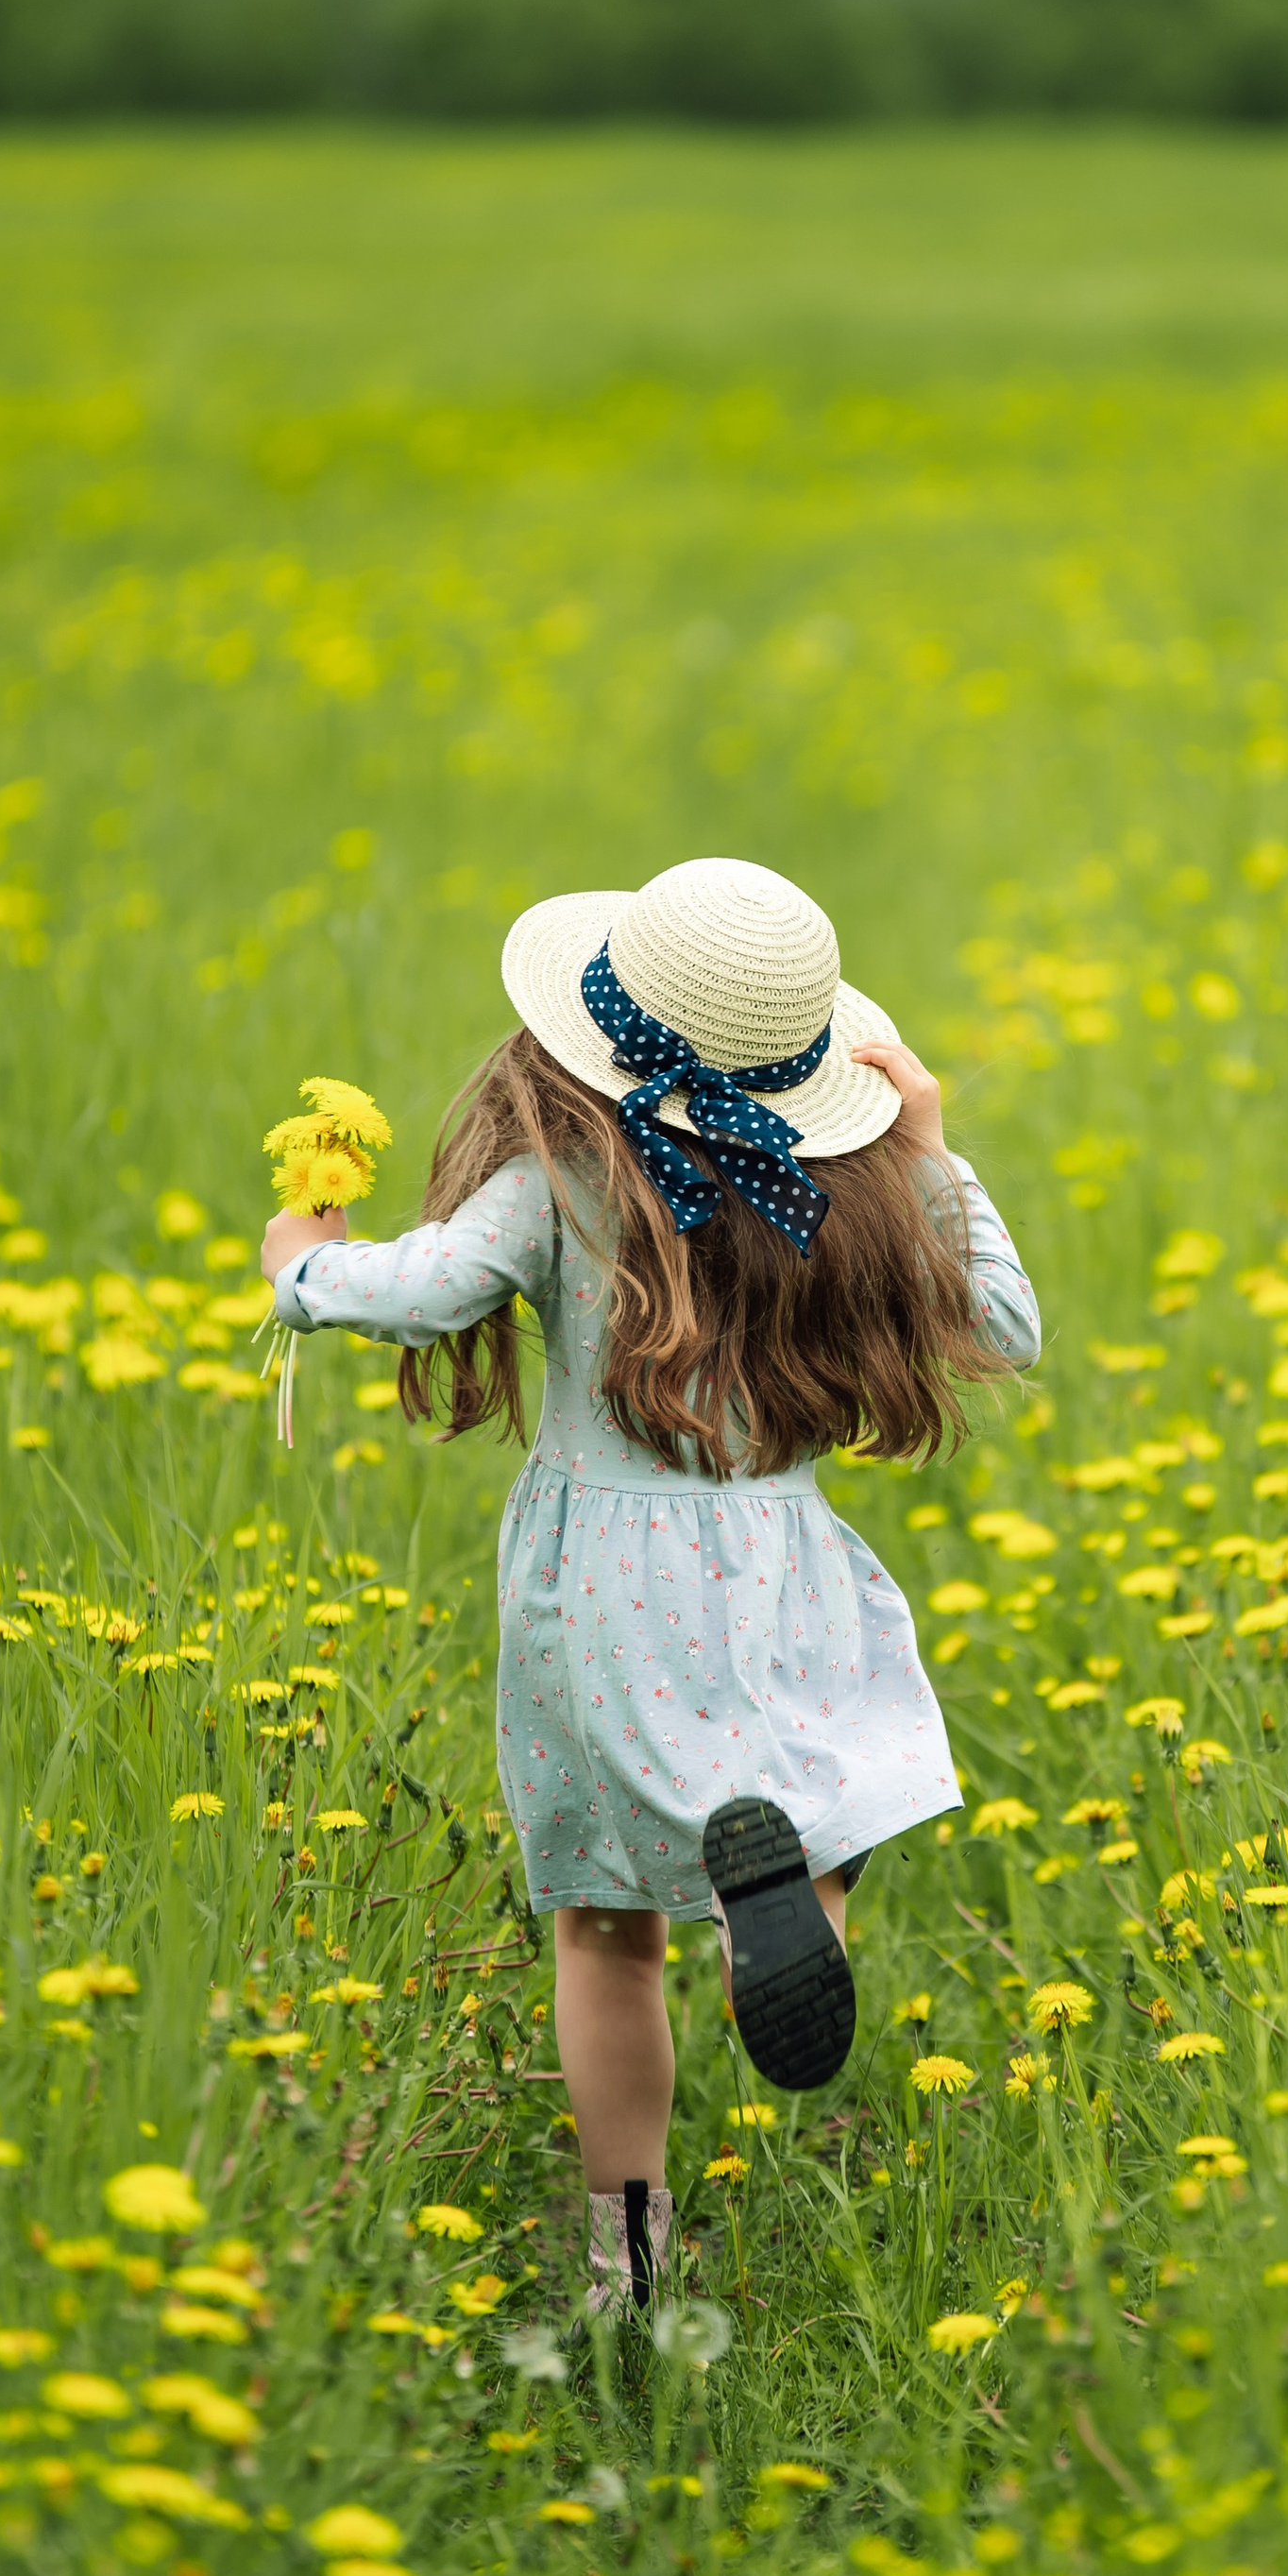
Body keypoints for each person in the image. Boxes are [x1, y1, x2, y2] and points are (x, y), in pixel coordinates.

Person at [260, 857, 1040, 2315]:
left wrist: (303, 1263)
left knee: (606, 1928)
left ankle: (627, 2257)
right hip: (789, 1560)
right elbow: (1006, 1317)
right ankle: (787, 1896)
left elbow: (423, 1290)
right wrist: (929, 1144)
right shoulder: (846, 1186)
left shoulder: (562, 1181)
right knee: (820, 1787)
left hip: (602, 1580)